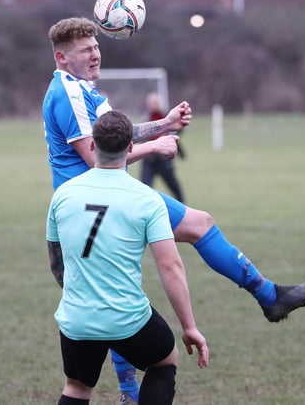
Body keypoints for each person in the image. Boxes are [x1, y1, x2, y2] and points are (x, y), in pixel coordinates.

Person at [43, 17, 305, 404]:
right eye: (84, 50)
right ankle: (268, 296)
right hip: (99, 195)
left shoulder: (82, 89)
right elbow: (97, 154)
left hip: (98, 198)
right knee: (194, 230)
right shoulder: (69, 94)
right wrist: (156, 146)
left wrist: (163, 124)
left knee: (115, 292)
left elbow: (116, 135)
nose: (95, 54)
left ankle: (130, 392)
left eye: (95, 46)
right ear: (62, 57)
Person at [47, 110, 209, 405]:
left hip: (77, 317)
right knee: (164, 360)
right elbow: (170, 266)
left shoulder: (63, 195)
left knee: (77, 388)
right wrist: (189, 327)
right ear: (132, 147)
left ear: (93, 146)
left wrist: (83, 298)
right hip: (128, 319)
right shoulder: (147, 198)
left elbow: (56, 262)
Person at [140, 92, 186, 203]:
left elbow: (176, 133)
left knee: (174, 186)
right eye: (151, 103)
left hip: (163, 160)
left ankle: (183, 207)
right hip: (149, 160)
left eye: (156, 103)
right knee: (144, 188)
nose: (154, 105)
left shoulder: (166, 118)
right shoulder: (146, 119)